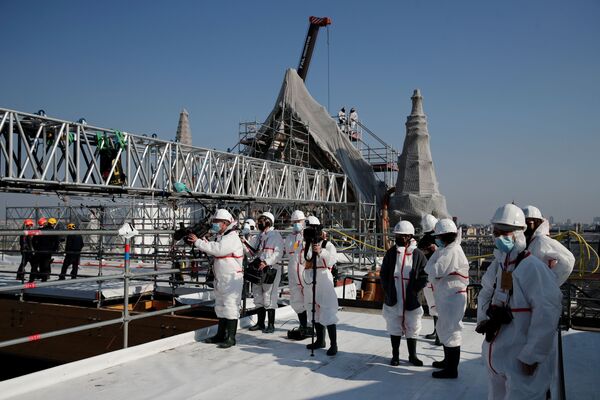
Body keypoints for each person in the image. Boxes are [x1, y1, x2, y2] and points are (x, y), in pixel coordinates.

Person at [476, 204, 562, 399]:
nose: (499, 237)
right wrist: (483, 318)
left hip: (521, 360)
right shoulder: (500, 265)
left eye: (505, 232)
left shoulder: (532, 267)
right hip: (498, 355)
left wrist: (533, 355)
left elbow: (547, 311)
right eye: (496, 232)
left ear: (519, 232)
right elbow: (485, 292)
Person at [187, 209, 244, 348]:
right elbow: (215, 248)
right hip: (222, 277)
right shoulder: (222, 236)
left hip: (231, 278)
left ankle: (230, 337)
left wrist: (199, 242)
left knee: (230, 306)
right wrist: (203, 241)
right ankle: (220, 334)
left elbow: (218, 250)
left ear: (225, 223)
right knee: (220, 306)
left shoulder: (232, 237)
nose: (214, 224)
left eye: (216, 222)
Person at [425, 218, 469, 379]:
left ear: (444, 236)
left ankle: (452, 369)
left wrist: (432, 270)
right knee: (444, 329)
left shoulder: (452, 251)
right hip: (446, 296)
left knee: (452, 331)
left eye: (438, 236)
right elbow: (430, 267)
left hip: (453, 297)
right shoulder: (446, 250)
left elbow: (435, 270)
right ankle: (447, 362)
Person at [380, 220, 428, 366]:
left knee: (412, 326)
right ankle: (395, 355)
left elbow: (424, 275)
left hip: (411, 297)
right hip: (394, 296)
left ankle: (412, 356)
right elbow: (383, 274)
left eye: (402, 235)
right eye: (397, 235)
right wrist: (388, 289)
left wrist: (414, 290)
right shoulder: (391, 253)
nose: (399, 238)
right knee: (394, 325)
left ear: (409, 236)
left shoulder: (418, 254)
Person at [303, 216, 339, 356]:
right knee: (314, 310)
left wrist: (321, 251)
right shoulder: (305, 245)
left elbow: (332, 260)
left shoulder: (327, 245)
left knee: (328, 310)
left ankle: (334, 344)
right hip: (310, 278)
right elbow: (303, 260)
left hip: (323, 278)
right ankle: (320, 340)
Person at [248, 212, 284, 334]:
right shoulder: (258, 237)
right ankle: (260, 323)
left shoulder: (275, 236)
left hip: (270, 270)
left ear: (269, 221)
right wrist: (244, 242)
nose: (259, 223)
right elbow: (251, 252)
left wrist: (267, 262)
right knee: (258, 295)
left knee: (269, 296)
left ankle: (271, 324)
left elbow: (278, 253)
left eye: (262, 220)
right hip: (258, 270)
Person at [522, 205, 575, 286]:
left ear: (536, 222)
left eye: (527, 223)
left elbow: (568, 260)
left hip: (539, 291)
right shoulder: (529, 242)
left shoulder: (542, 240)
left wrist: (550, 282)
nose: (525, 228)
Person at [285, 210, 310, 340]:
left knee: (310, 300)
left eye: (298, 222)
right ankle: (303, 325)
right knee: (296, 300)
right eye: (294, 222)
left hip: (304, 272)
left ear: (303, 221)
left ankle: (312, 326)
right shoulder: (289, 238)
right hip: (293, 273)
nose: (296, 224)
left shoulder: (308, 236)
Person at [418, 214, 440, 345]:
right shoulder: (437, 238)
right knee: (435, 306)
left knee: (433, 305)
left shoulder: (425, 240)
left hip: (429, 277)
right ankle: (437, 333)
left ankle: (438, 334)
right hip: (433, 277)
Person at [31, 217, 60, 282]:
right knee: (45, 265)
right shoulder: (54, 232)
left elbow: (33, 240)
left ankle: (31, 279)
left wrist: (36, 248)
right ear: (53, 224)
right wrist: (54, 250)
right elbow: (57, 242)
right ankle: (44, 279)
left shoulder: (40, 230)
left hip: (39, 250)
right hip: (48, 251)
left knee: (35, 265)